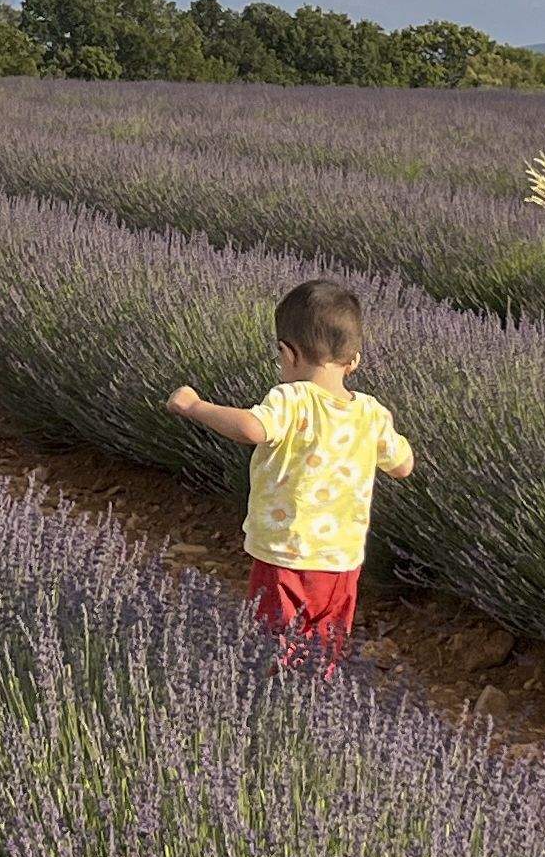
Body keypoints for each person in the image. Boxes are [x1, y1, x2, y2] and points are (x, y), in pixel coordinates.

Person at [166, 278, 415, 663]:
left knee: (274, 649)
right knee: (325, 652)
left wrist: (194, 407)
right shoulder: (371, 413)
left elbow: (251, 428)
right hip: (341, 564)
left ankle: (274, 710)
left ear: (288, 353)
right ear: (354, 362)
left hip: (287, 558)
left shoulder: (293, 399)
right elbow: (403, 466)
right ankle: (314, 710)